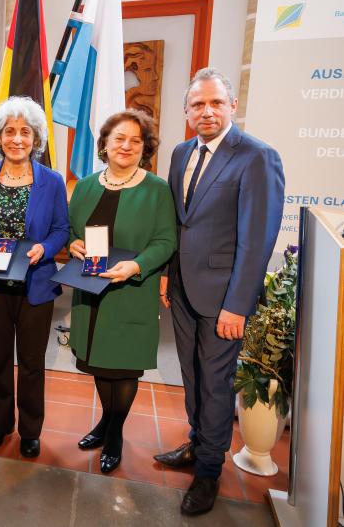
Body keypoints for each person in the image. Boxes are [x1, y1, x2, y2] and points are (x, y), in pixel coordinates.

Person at [155, 68, 285, 515]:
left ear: (232, 105)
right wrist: (169, 272)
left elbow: (257, 239)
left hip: (223, 298)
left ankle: (209, 471)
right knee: (191, 376)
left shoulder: (256, 157)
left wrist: (237, 305)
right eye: (197, 105)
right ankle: (197, 443)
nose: (206, 111)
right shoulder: (179, 153)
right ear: (186, 111)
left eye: (215, 103)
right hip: (185, 290)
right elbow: (178, 221)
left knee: (215, 384)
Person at [66, 109, 176, 474]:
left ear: (145, 147)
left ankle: (114, 432)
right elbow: (71, 231)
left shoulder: (157, 189)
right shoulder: (85, 186)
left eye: (135, 140)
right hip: (92, 292)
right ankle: (104, 422)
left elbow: (165, 241)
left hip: (131, 290)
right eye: (119, 139)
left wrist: (138, 266)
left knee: (124, 368)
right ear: (105, 144)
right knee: (99, 362)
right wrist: (75, 243)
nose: (126, 146)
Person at [0, 96, 69, 458]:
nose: (17, 139)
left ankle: (30, 429)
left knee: (30, 362)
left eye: (25, 132)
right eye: (9, 131)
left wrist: (45, 248)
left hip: (36, 283)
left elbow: (62, 229)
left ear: (36, 138)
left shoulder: (52, 181)